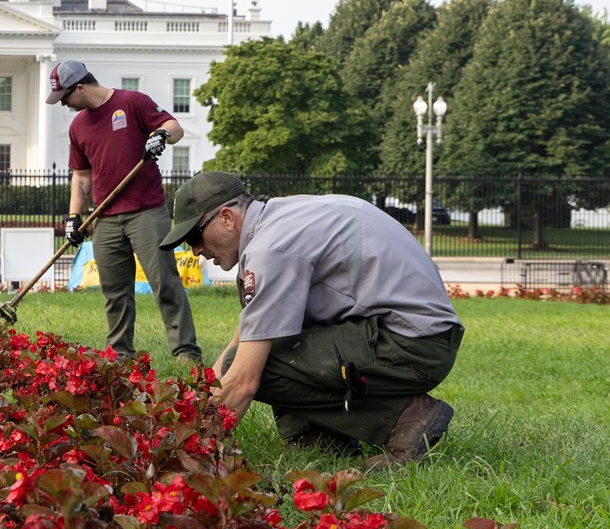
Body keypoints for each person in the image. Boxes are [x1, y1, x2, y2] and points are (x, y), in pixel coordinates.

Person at [160, 171, 464, 469]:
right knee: (270, 337)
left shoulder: (271, 248)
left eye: (194, 236)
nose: (196, 250)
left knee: (260, 359)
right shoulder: (279, 219)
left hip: (414, 345)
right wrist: (199, 396)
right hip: (415, 333)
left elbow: (242, 379)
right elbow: (248, 332)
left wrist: (192, 451)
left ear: (227, 217)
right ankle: (318, 437)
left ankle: (410, 419)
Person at [47, 60, 201, 365]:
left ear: (80, 86)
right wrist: (73, 219)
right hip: (104, 218)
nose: (65, 104)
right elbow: (81, 176)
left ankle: (186, 352)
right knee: (114, 292)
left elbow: (175, 127)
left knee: (164, 282)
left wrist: (160, 137)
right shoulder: (78, 127)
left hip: (146, 212)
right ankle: (120, 355)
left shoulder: (132, 102)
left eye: (65, 97)